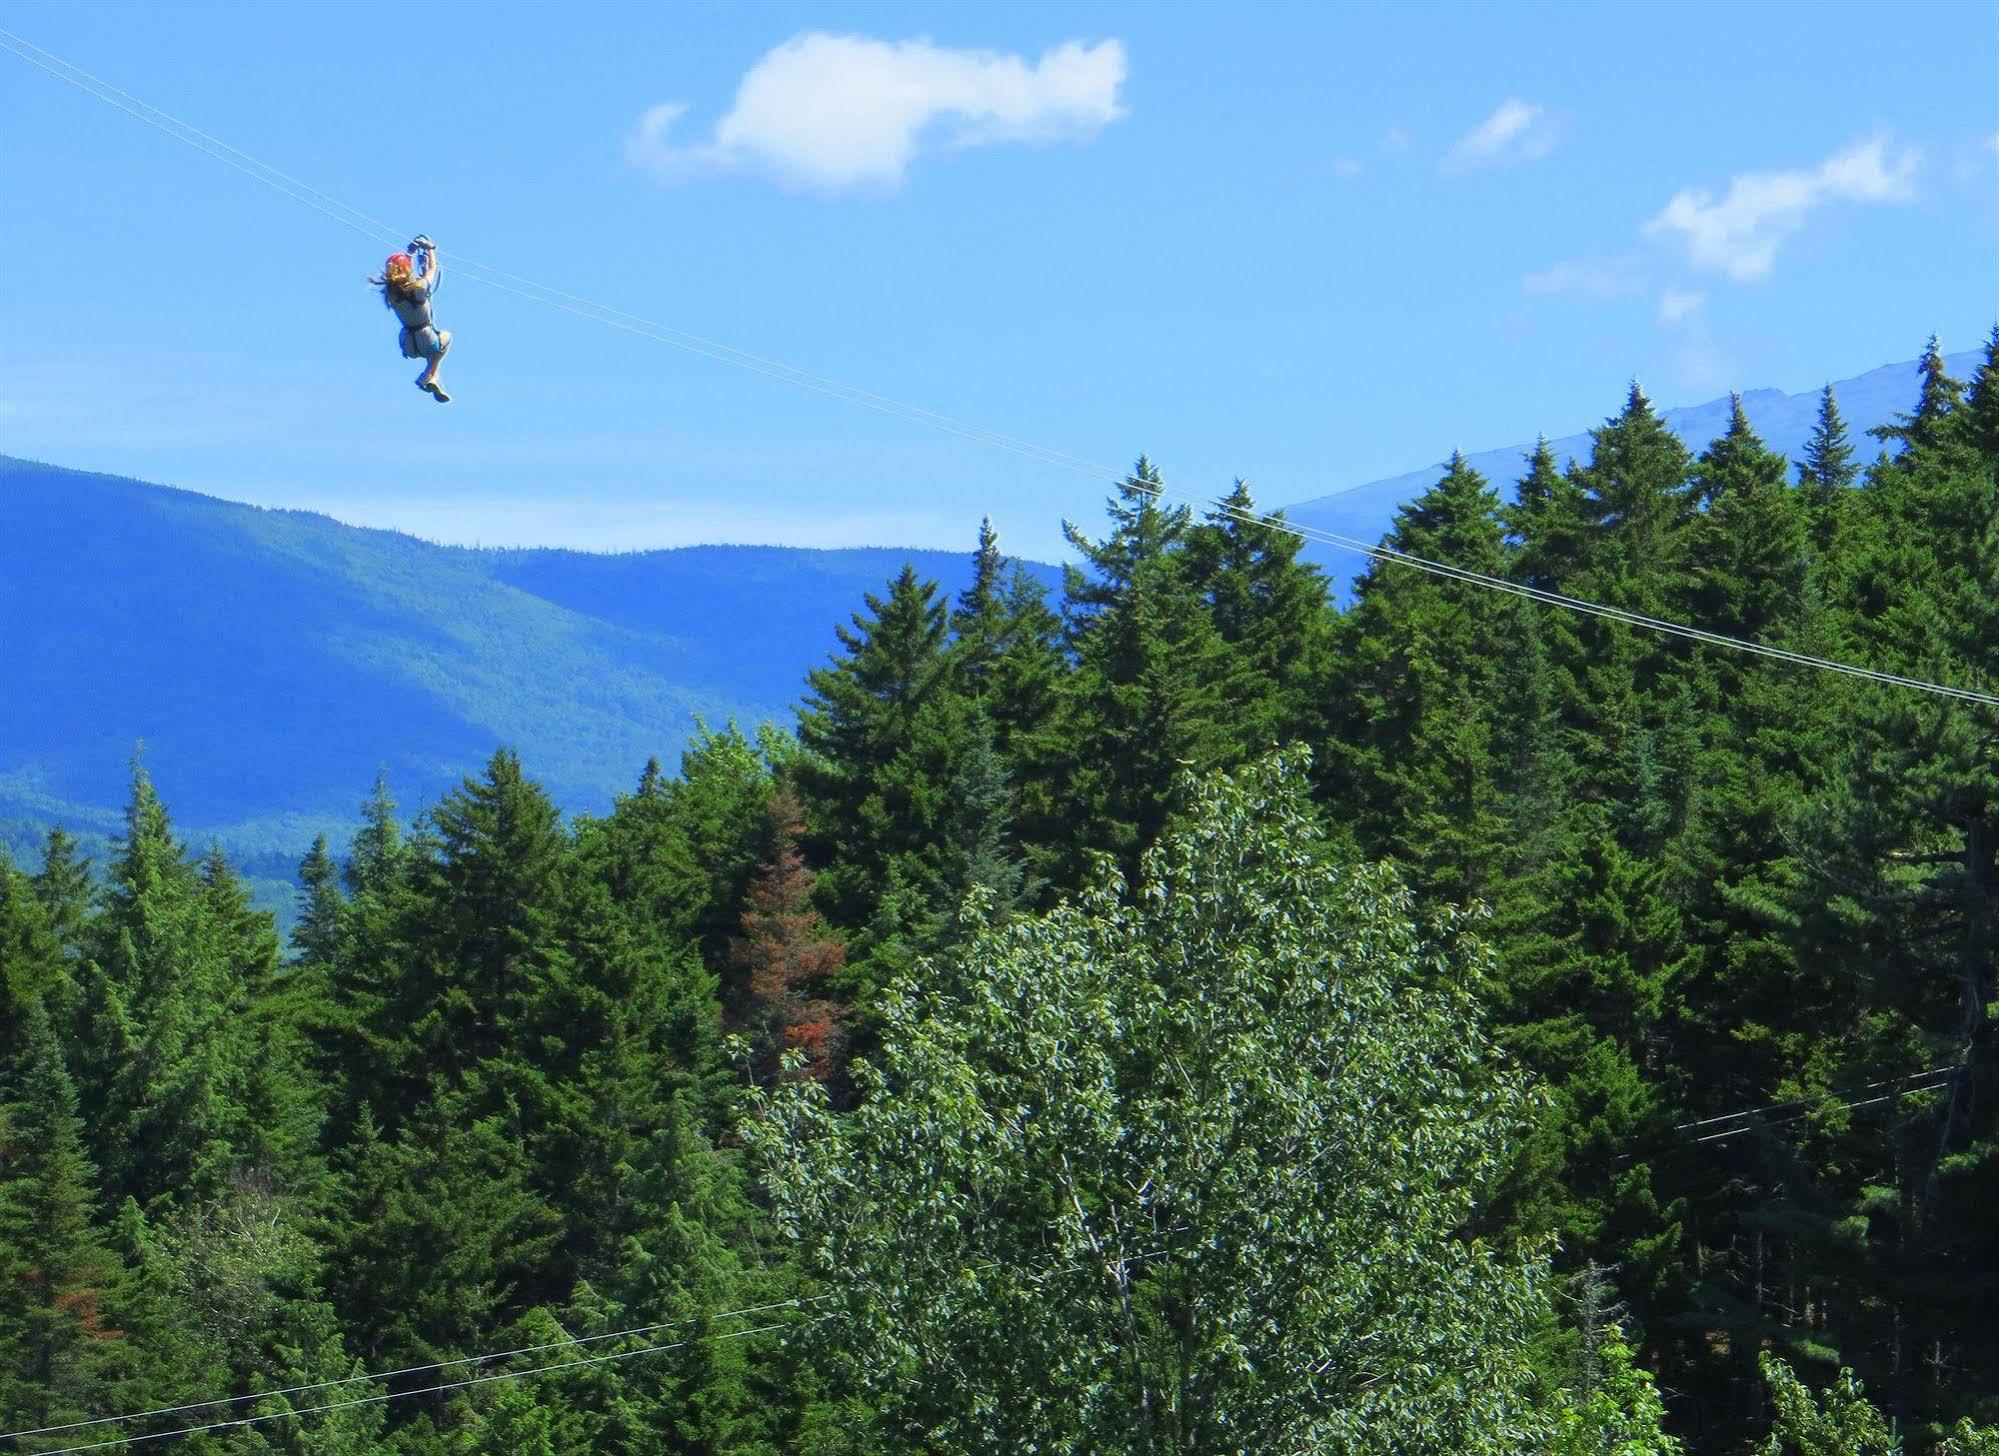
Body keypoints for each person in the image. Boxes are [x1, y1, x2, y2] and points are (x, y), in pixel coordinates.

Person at [371, 236, 452, 402]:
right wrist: (430, 250)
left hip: (408, 342)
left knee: (434, 350)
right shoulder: (419, 287)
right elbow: (432, 270)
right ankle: (427, 375)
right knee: (446, 337)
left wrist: (410, 253)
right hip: (425, 336)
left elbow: (399, 273)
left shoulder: (391, 293)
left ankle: (434, 379)